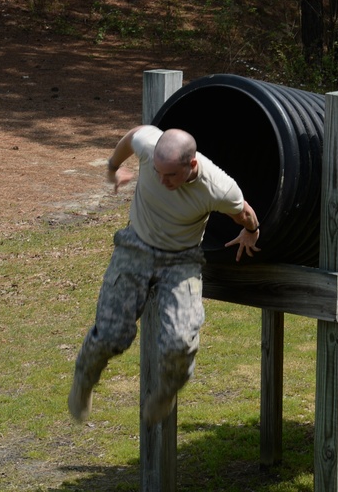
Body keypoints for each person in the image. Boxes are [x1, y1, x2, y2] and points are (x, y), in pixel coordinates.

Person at [68, 125, 261, 426]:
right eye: (157, 172)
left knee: (180, 342)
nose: (161, 180)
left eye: (170, 175)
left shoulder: (219, 187)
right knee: (110, 335)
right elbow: (131, 136)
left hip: (181, 261)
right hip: (136, 247)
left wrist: (252, 232)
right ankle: (84, 378)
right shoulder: (148, 145)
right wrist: (113, 168)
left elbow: (245, 213)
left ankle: (167, 390)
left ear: (192, 165)